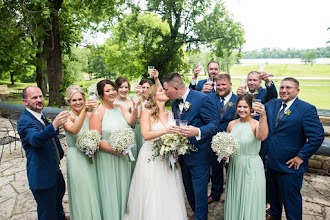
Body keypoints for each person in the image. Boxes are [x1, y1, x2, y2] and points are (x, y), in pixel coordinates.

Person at [262, 77, 324, 220]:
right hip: (270, 163)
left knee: (291, 203)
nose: (284, 90)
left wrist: (301, 156)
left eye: (288, 87)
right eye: (282, 87)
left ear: (297, 90)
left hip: (290, 165)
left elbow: (317, 136)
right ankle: (274, 215)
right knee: (273, 200)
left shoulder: (306, 109)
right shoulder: (272, 104)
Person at [124, 84, 187, 219]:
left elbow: (175, 134)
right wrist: (166, 131)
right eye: (161, 90)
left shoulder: (170, 113)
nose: (165, 92)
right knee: (152, 190)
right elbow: (146, 135)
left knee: (168, 190)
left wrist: (175, 148)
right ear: (153, 96)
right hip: (151, 156)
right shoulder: (146, 112)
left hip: (167, 158)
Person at [163, 73, 219, 220]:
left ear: (175, 88)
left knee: (200, 195)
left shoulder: (202, 99)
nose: (164, 92)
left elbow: (214, 125)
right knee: (189, 192)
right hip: (182, 156)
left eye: (166, 89)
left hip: (200, 156)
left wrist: (198, 131)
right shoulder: (175, 102)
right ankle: (197, 215)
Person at [17, 86, 70, 220]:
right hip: (42, 177)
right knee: (47, 214)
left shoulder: (40, 115)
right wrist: (55, 125)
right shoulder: (24, 121)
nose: (39, 100)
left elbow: (47, 135)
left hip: (54, 171)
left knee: (58, 207)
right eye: (34, 97)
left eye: (40, 96)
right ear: (25, 102)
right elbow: (35, 139)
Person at [89, 80, 138, 220]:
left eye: (113, 89)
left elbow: (132, 121)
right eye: (107, 91)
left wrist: (134, 107)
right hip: (108, 158)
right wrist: (116, 150)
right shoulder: (98, 112)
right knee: (111, 191)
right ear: (100, 94)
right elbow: (96, 140)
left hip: (123, 158)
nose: (112, 93)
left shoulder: (120, 107)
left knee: (125, 188)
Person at [225, 93, 268, 220]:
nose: (241, 110)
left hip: (252, 166)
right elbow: (227, 145)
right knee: (236, 197)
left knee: (250, 197)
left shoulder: (256, 124)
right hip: (235, 166)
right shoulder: (231, 124)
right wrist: (224, 155)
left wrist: (263, 115)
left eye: (245, 107)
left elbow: (262, 137)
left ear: (251, 108)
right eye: (239, 107)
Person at [63, 85, 101, 220]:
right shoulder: (67, 116)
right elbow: (74, 130)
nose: (78, 102)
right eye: (74, 100)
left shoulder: (89, 115)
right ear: (69, 102)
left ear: (85, 99)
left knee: (93, 189)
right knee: (82, 190)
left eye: (80, 99)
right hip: (76, 158)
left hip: (90, 156)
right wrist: (85, 110)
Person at [207, 73, 238, 204]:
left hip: (232, 141)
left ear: (230, 85)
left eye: (223, 84)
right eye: (218, 85)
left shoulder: (238, 100)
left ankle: (233, 196)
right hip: (212, 140)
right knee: (215, 169)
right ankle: (215, 193)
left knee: (232, 170)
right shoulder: (209, 98)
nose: (220, 87)